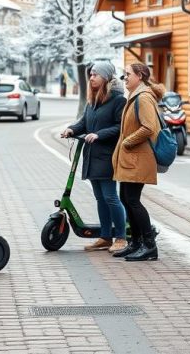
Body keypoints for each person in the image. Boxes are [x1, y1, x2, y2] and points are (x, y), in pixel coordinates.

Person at [60, 61, 128, 253]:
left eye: (95, 75)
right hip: (92, 155)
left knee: (110, 197)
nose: (91, 77)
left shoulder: (118, 100)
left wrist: (99, 134)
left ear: (106, 78)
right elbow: (83, 123)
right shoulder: (93, 100)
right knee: (100, 198)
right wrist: (71, 129)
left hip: (107, 156)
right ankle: (105, 237)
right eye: (90, 75)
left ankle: (121, 238)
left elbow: (120, 127)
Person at [111, 62, 164, 262]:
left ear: (139, 76)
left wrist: (127, 141)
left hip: (138, 158)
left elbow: (149, 127)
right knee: (126, 198)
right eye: (124, 75)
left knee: (132, 200)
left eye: (128, 75)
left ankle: (149, 245)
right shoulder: (134, 97)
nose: (125, 79)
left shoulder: (144, 98)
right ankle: (136, 242)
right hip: (131, 159)